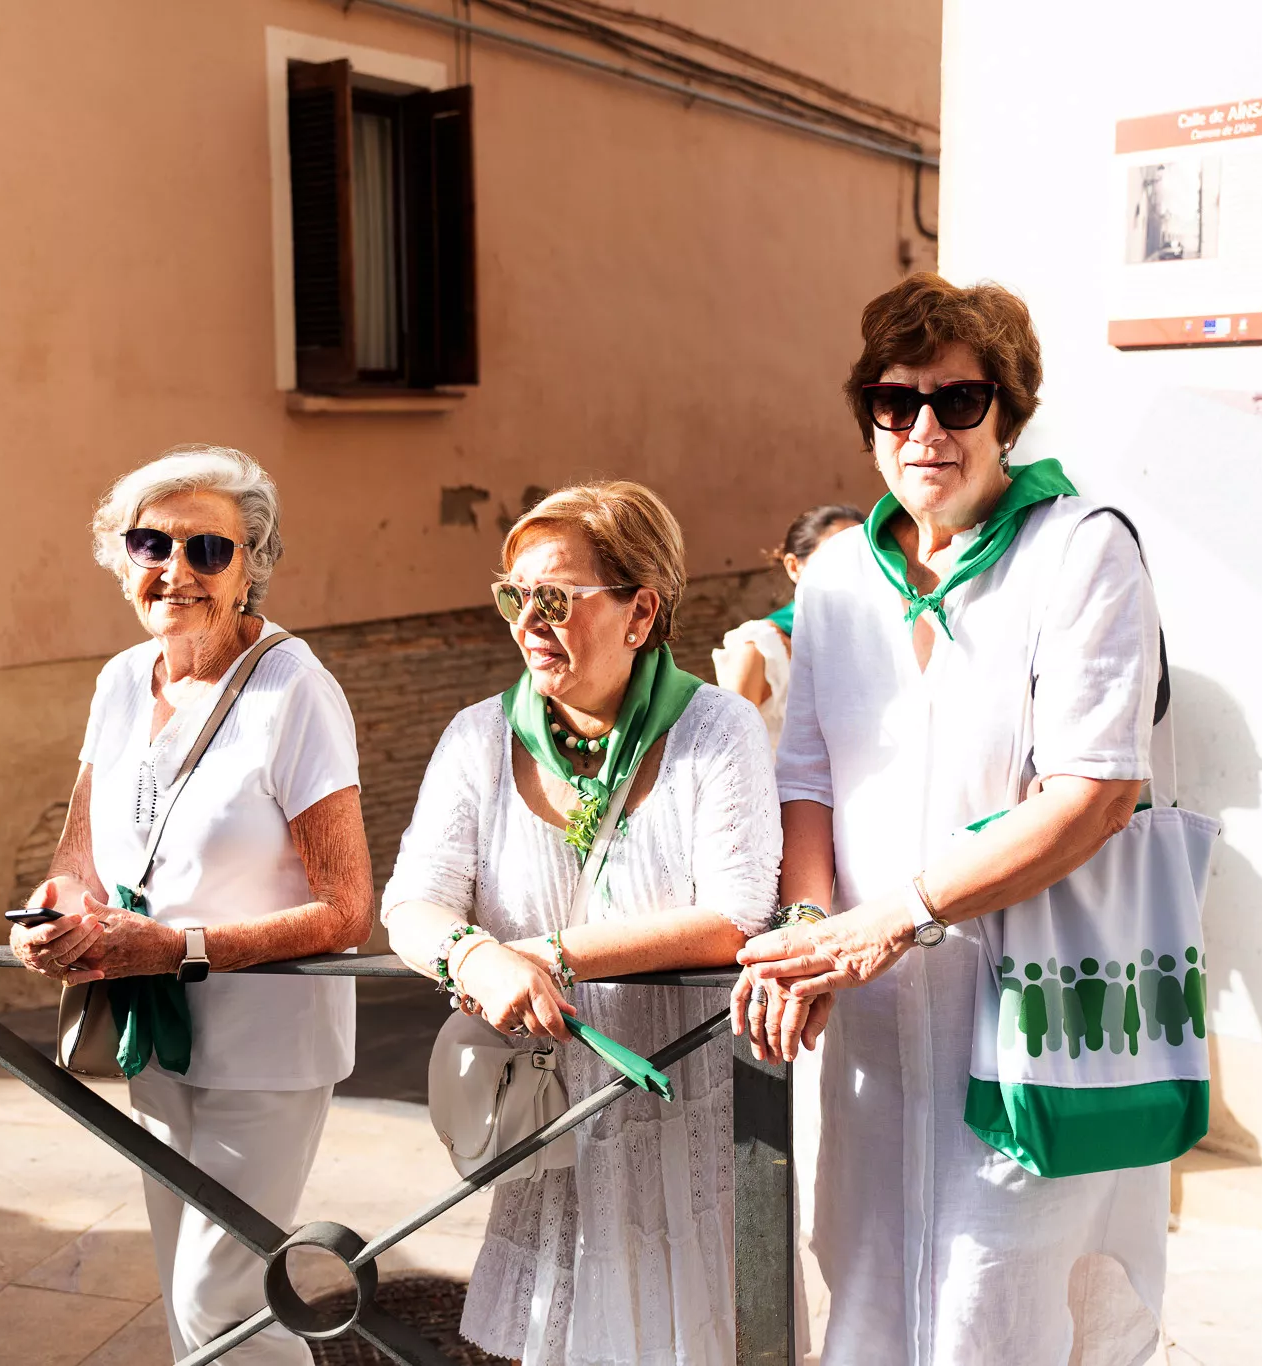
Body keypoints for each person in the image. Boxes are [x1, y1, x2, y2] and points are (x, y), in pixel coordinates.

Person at [734, 273, 1169, 1365]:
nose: (923, 429)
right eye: (894, 402)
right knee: (866, 1285)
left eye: (956, 401)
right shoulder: (837, 574)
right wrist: (806, 924)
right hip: (871, 1022)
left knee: (999, 1300)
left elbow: (1093, 793)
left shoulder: (1080, 551)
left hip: (1025, 1010)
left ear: (1006, 414)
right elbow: (807, 775)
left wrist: (895, 915)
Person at [384, 481, 782, 1366]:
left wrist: (545, 954)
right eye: (514, 597)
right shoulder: (478, 738)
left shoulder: (719, 730)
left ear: (640, 613)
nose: (530, 619)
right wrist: (472, 957)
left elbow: (732, 915)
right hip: (543, 1122)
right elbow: (409, 903)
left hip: (684, 1123)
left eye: (556, 598)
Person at [10, 445, 373, 1366]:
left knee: (222, 1298)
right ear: (122, 558)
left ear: (251, 565)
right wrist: (57, 910)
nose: (176, 571)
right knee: (183, 1295)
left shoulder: (298, 691)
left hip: (267, 1047)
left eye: (208, 549)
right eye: (150, 544)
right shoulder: (123, 680)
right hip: (153, 1033)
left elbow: (347, 911)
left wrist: (177, 947)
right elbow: (80, 852)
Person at [711, 503, 862, 748]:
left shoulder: (871, 640)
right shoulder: (760, 647)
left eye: (863, 557)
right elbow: (730, 750)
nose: (854, 569)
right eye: (838, 557)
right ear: (794, 567)